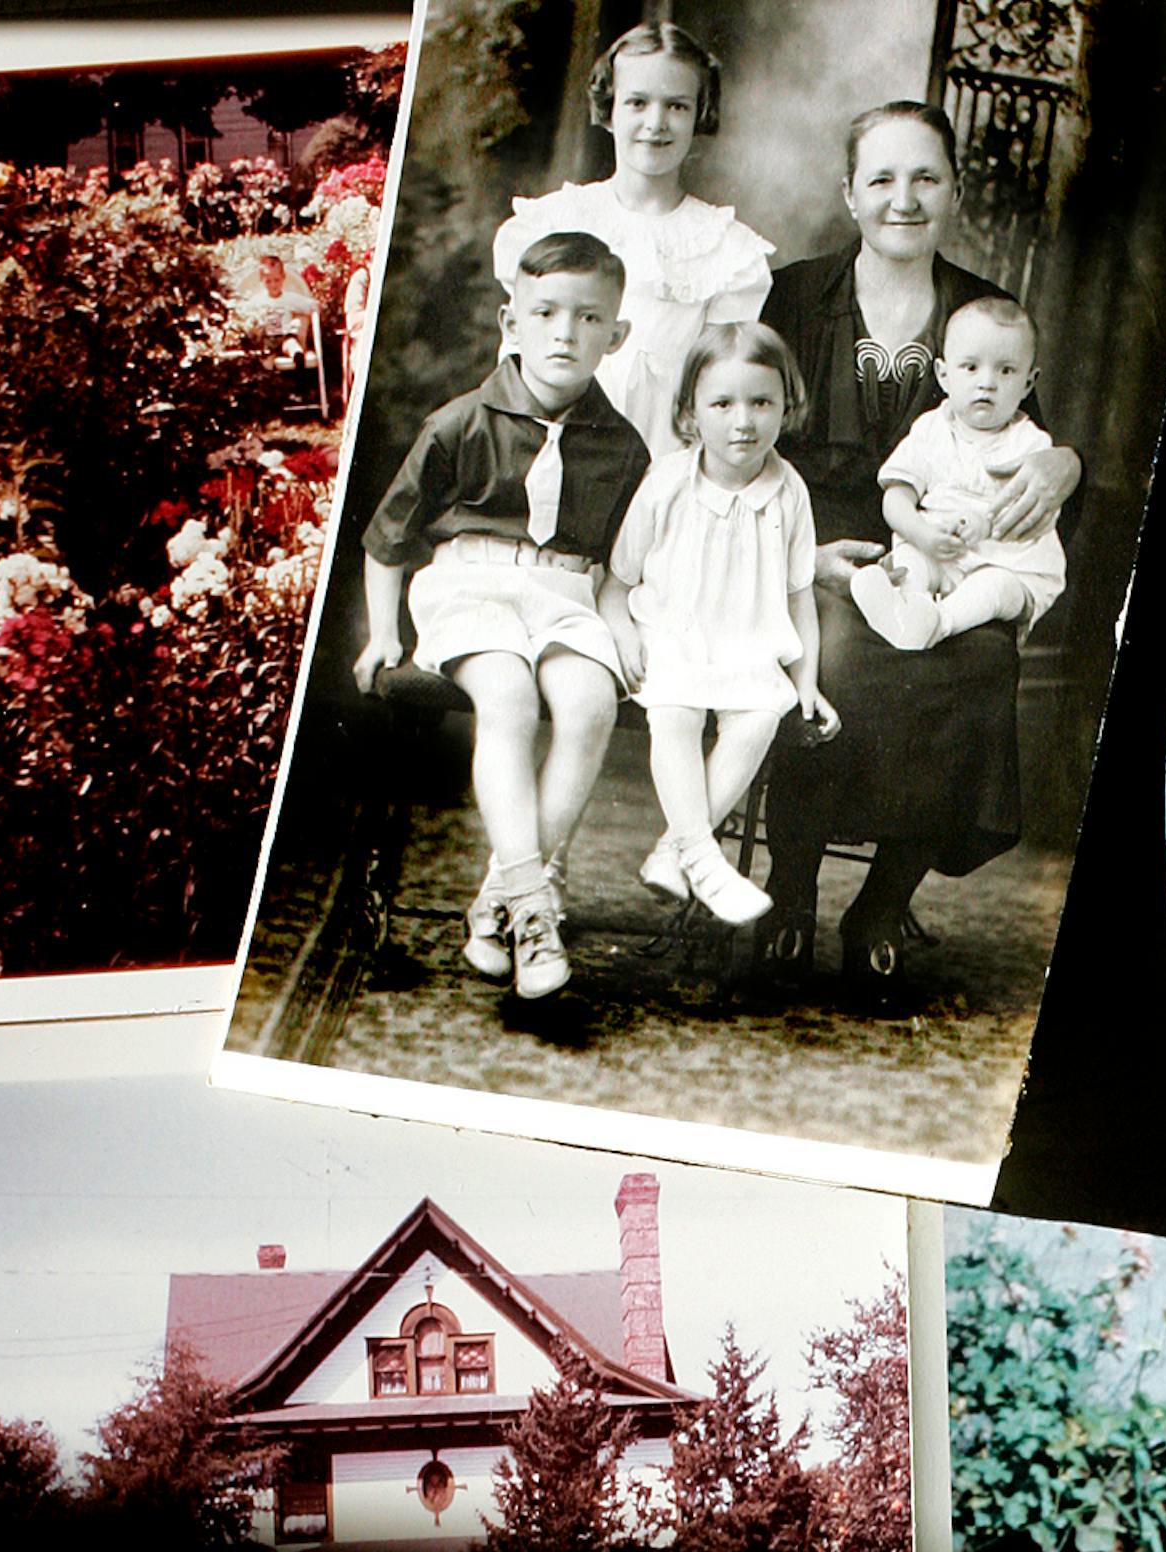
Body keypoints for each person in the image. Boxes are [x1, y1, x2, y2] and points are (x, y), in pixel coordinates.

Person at [756, 102, 1081, 1001]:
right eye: (883, 179)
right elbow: (739, 435)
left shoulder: (982, 313)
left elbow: (1031, 444)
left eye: (926, 178)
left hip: (941, 566)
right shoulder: (794, 297)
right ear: (850, 194)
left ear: (955, 193)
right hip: (814, 556)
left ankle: (880, 900)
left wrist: (1066, 458)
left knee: (978, 655)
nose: (905, 198)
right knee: (847, 658)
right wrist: (804, 556)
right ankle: (789, 894)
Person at [355, 230, 649, 1001]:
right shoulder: (458, 424)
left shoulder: (623, 447)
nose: (565, 332)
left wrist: (619, 622)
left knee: (588, 704)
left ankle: (500, 899)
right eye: (546, 312)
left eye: (589, 318)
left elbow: (620, 563)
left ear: (616, 336)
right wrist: (384, 632)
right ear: (509, 322)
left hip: (567, 593)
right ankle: (533, 906)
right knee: (511, 700)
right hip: (471, 585)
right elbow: (389, 541)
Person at [606, 321, 837, 926]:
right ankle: (703, 861)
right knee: (676, 714)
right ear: (690, 411)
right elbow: (619, 581)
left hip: (746, 641)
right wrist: (625, 633)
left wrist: (805, 679)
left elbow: (799, 596)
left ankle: (673, 850)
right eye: (723, 403)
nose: (743, 421)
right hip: (673, 634)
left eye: (762, 402)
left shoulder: (789, 492)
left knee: (761, 715)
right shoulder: (666, 484)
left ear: (787, 406)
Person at [492, 18, 771, 462]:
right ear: (610, 108)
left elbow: (720, 390)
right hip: (546, 464)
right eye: (638, 102)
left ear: (699, 113)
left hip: (661, 475)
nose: (655, 123)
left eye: (676, 106)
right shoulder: (554, 222)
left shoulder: (727, 251)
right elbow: (516, 367)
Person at [850, 293, 1069, 656]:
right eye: (970, 367)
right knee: (911, 563)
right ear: (943, 374)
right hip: (937, 549)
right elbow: (896, 496)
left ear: (1029, 384)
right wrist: (921, 533)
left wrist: (986, 522)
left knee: (994, 589)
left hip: (1004, 562)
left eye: (1006, 370)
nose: (987, 383)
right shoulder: (931, 429)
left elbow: (1034, 509)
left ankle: (938, 624)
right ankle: (906, 609)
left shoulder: (1030, 444)